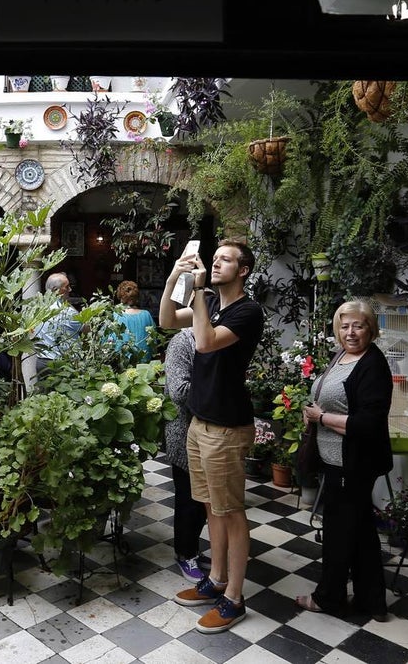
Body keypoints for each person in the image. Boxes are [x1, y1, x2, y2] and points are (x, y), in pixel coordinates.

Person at [158, 237, 263, 634]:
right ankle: (216, 578)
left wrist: (199, 290)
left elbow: (204, 343)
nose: (216, 264)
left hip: (227, 426)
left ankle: (234, 598)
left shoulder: (247, 311)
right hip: (199, 423)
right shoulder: (213, 304)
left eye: (225, 261)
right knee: (208, 504)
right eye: (214, 258)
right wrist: (173, 280)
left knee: (230, 511)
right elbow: (168, 321)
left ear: (244, 270)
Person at [293, 299, 393, 623]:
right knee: (361, 531)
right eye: (345, 326)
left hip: (353, 464)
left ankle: (329, 598)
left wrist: (322, 418)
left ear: (370, 329)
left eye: (358, 325)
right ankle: (372, 600)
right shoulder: (343, 356)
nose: (350, 332)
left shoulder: (373, 364)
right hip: (336, 460)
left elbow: (368, 423)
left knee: (338, 532)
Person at [161, 326, 209, 582]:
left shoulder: (216, 337)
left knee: (203, 500)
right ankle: (185, 553)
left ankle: (193, 548)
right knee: (188, 498)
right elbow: (179, 391)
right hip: (183, 430)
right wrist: (215, 387)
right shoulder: (182, 342)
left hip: (209, 430)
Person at [33, 272, 83, 375]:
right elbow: (87, 328)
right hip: (62, 365)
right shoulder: (68, 312)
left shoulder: (37, 308)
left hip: (42, 362)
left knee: (42, 391)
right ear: (56, 290)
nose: (70, 290)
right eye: (67, 287)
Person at [112, 279, 156, 362]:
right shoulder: (146, 315)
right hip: (144, 364)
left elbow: (109, 342)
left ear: (121, 297)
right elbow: (154, 341)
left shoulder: (116, 315)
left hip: (122, 364)